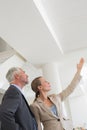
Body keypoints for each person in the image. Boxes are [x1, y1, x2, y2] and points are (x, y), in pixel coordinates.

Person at [30, 58, 84, 130]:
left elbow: (70, 88)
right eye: (45, 82)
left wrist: (78, 71)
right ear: (40, 87)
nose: (48, 82)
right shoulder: (35, 106)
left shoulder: (55, 97)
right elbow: (38, 125)